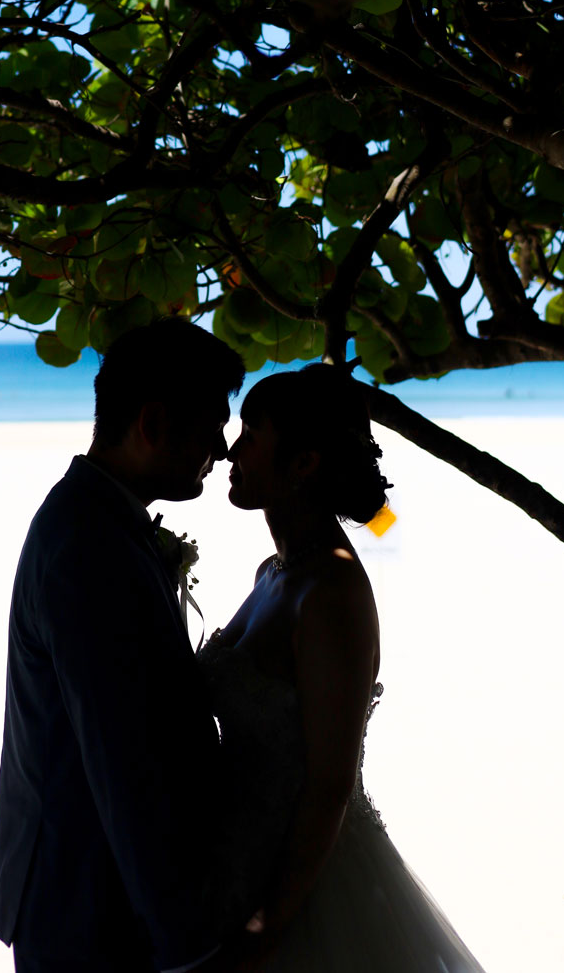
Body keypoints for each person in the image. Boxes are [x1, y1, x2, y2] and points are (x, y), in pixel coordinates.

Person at [200, 362, 487, 973]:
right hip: (239, 859)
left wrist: (266, 926)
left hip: (310, 888)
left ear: (303, 464)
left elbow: (329, 785)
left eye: (251, 434)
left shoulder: (332, 593)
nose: (230, 449)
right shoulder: (275, 573)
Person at [0, 317, 245, 973]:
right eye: (213, 426)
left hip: (87, 894)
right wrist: (187, 949)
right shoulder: (89, 544)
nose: (222, 450)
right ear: (153, 423)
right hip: (89, 907)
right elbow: (122, 758)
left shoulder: (93, 518)